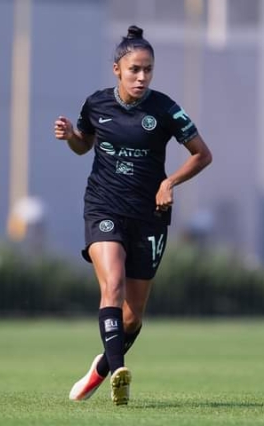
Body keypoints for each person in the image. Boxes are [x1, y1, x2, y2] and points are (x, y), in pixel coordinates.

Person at [53, 25, 212, 405]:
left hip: (150, 216)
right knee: (113, 284)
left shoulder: (165, 109)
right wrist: (72, 136)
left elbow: (202, 155)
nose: (142, 77)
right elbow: (84, 146)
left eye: (148, 70)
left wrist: (169, 182)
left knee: (132, 318)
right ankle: (120, 371)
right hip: (104, 206)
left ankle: (101, 369)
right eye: (134, 70)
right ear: (117, 70)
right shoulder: (96, 105)